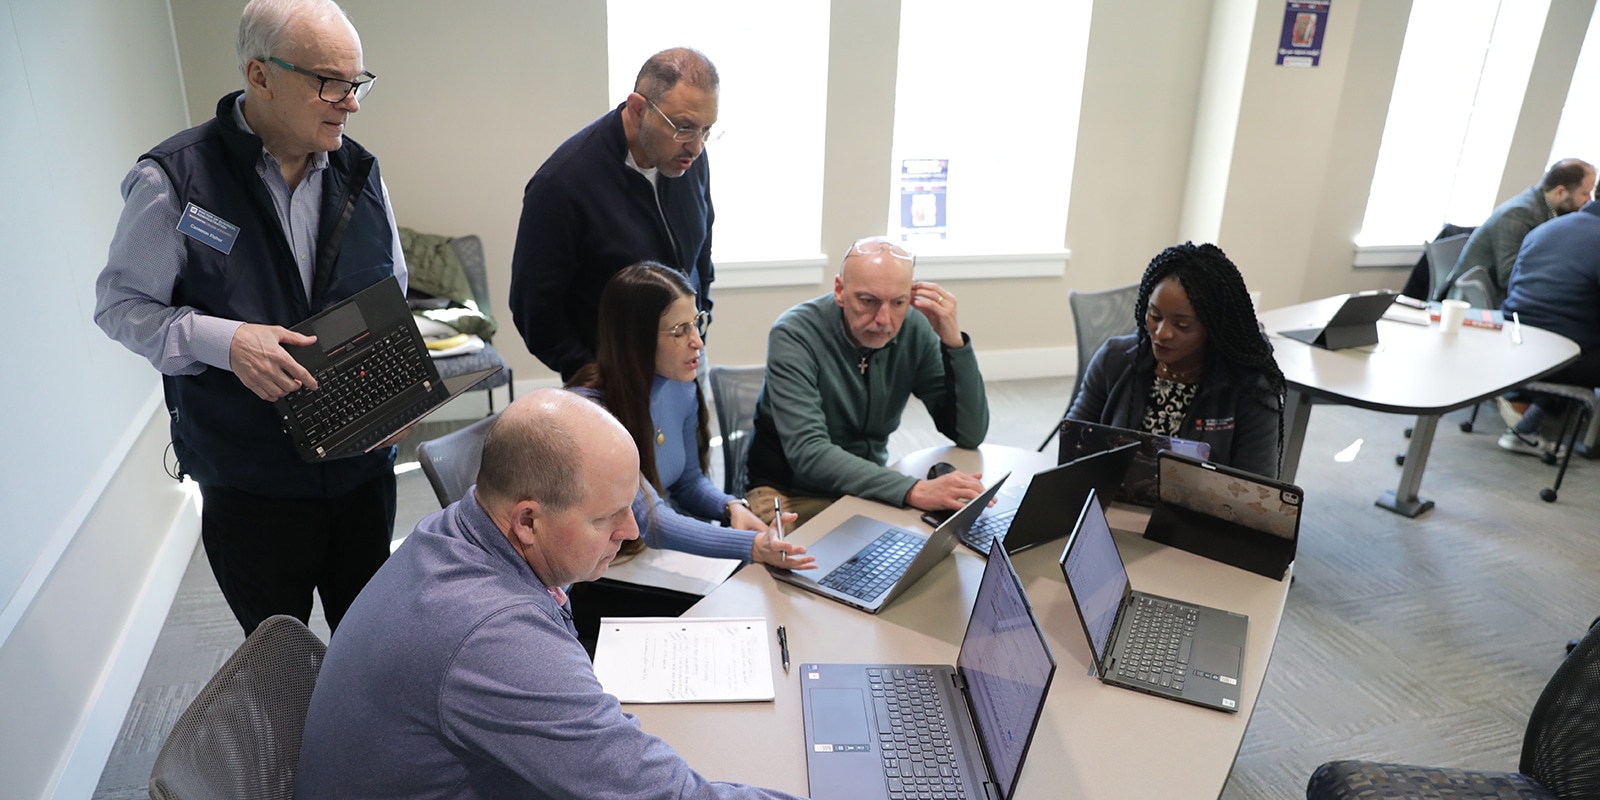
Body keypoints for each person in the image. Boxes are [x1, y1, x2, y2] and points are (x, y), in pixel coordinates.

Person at [294, 389, 805, 800]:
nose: (631, 530)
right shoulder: (495, 634)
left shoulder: (451, 531)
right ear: (528, 520)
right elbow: (663, 794)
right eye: (608, 516)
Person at [92, 0, 404, 635]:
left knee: (370, 647)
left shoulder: (360, 170)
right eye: (331, 83)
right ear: (259, 76)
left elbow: (391, 288)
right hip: (251, 484)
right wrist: (225, 340)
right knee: (278, 662)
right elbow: (121, 307)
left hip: (361, 471)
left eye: (357, 83)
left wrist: (397, 397)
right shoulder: (174, 182)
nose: (351, 103)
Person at [566, 263, 812, 569]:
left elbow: (688, 481)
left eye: (696, 323)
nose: (698, 341)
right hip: (600, 569)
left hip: (645, 556)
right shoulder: (590, 414)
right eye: (680, 331)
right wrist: (753, 546)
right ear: (636, 339)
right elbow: (652, 522)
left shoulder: (681, 387)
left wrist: (730, 506)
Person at [744, 237, 990, 527]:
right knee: (802, 567)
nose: (883, 319)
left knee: (932, 548)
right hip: (790, 492)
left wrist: (954, 343)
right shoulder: (795, 333)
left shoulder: (914, 327)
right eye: (867, 301)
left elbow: (970, 433)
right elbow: (809, 454)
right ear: (839, 290)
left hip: (867, 485)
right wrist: (912, 489)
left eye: (898, 302)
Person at [510, 47, 719, 381]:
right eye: (684, 128)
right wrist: (592, 373)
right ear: (638, 109)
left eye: (706, 130)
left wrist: (700, 320)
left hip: (686, 363)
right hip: (612, 381)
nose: (696, 146)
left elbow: (702, 250)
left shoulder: (688, 158)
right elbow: (534, 309)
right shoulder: (563, 185)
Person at [1067, 242, 1286, 478]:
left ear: (1214, 329)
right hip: (1113, 505)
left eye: (1182, 325)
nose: (1161, 333)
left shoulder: (1251, 388)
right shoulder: (1114, 359)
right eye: (1154, 315)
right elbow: (1072, 445)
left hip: (1202, 514)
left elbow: (1254, 491)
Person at [1496, 197, 1600, 456]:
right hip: (1559, 357)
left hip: (1512, 342)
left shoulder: (1545, 228)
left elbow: (1513, 288)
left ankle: (1527, 425)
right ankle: (1590, 444)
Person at [1449, 158, 1595, 304]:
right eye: (1585, 193)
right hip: (1479, 302)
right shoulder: (1517, 215)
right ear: (1560, 192)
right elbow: (1508, 277)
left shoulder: (1544, 207)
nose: (1589, 200)